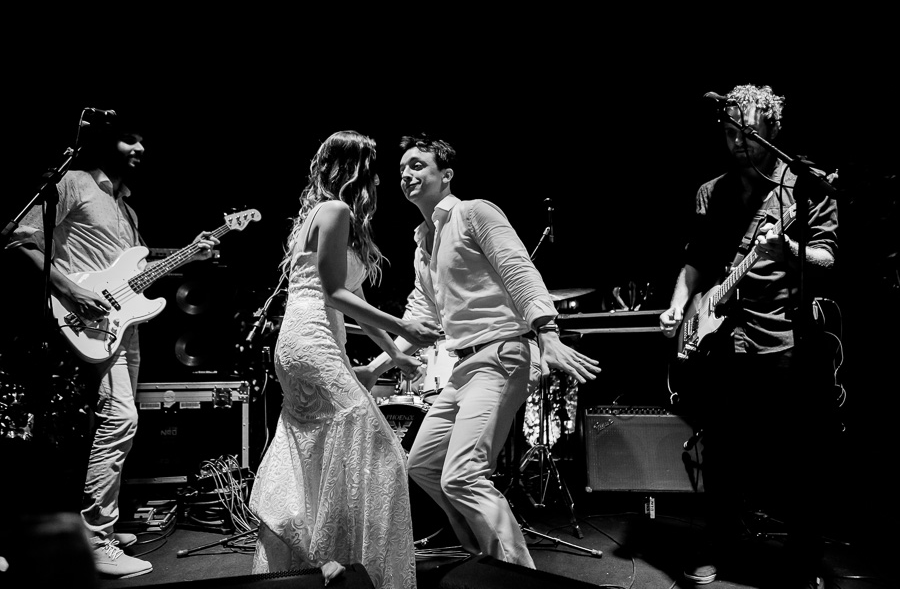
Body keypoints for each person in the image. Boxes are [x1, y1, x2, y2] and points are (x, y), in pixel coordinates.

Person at [355, 134, 601, 569]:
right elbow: (421, 315)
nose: (406, 174)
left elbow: (518, 268)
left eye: (417, 165)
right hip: (464, 366)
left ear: (446, 175)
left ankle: (518, 576)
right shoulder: (423, 243)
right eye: (402, 169)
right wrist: (377, 366)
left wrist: (547, 332)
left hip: (501, 354)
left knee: (464, 475)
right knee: (423, 465)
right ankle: (486, 560)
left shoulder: (474, 212)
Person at [9, 112, 219, 580]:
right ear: (106, 143)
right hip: (81, 317)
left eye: (143, 140)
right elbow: (20, 240)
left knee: (111, 423)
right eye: (129, 139)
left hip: (121, 325)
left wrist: (191, 251)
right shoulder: (75, 183)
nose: (139, 148)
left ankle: (99, 525)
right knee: (120, 417)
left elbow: (133, 271)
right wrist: (71, 290)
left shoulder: (127, 210)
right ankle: (96, 538)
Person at [659, 84, 839, 588]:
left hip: (783, 333)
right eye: (730, 133)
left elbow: (827, 257)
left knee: (796, 454)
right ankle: (719, 541)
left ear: (773, 129)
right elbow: (695, 260)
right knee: (720, 449)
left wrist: (787, 250)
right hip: (720, 338)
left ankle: (803, 558)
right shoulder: (710, 192)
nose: (739, 143)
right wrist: (679, 304)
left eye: (750, 133)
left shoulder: (806, 187)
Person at [248, 130, 441, 589]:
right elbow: (334, 294)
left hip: (302, 344)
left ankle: (317, 558)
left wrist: (394, 355)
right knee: (380, 451)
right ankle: (347, 563)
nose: (381, 181)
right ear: (357, 171)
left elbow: (354, 300)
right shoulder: (335, 210)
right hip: (312, 342)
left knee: (320, 449)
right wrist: (404, 327)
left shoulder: (317, 214)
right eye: (375, 170)